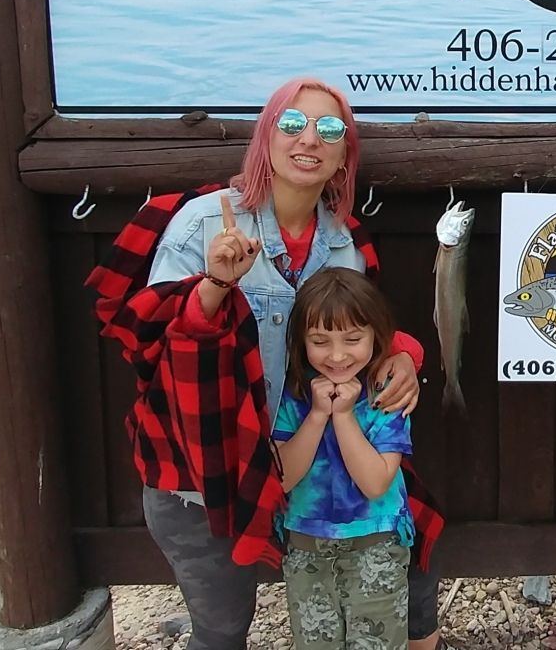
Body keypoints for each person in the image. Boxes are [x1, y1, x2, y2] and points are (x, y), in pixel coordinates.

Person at [88, 78, 445, 650]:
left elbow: (357, 328)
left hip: (318, 462)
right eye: (291, 124)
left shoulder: (345, 239)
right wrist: (214, 286)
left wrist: (405, 351)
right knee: (222, 627)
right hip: (207, 469)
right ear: (265, 138)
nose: (310, 139)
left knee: (412, 571)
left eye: (329, 128)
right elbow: (148, 340)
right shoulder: (203, 221)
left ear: (344, 152)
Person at [274, 268, 416, 650]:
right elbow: (282, 478)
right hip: (306, 541)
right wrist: (318, 414)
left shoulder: (387, 393)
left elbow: (374, 483)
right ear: (301, 341)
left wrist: (343, 415)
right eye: (320, 341)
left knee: (377, 642)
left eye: (353, 339)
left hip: (376, 541)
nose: (337, 355)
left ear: (376, 337)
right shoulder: (292, 394)